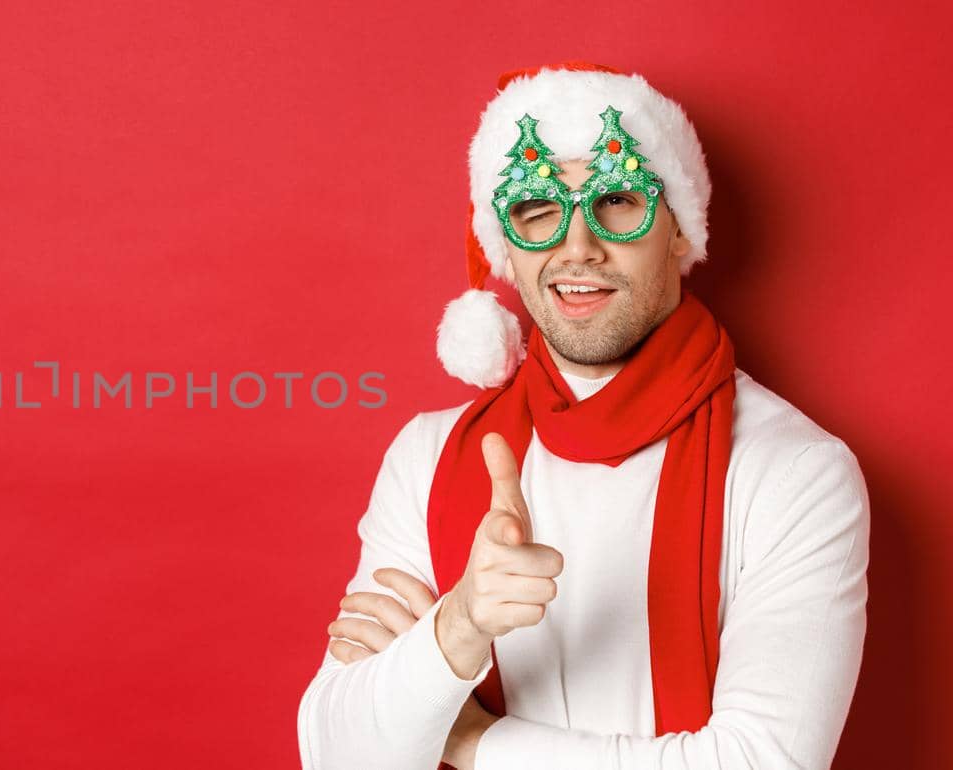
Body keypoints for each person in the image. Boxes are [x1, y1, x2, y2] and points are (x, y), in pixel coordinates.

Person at [295, 62, 869, 770]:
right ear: (505, 244)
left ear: (681, 231)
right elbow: (334, 753)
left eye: (618, 201)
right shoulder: (429, 456)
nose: (577, 247)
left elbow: (762, 764)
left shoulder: (793, 471)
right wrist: (460, 627)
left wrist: (471, 739)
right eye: (538, 210)